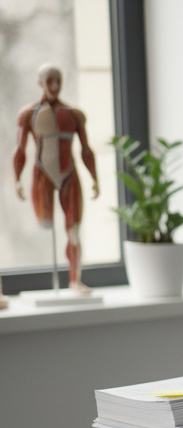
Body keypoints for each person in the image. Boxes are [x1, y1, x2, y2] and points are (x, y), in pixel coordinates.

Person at [13, 63, 100, 294]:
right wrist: (17, 179)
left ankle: (74, 279)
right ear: (41, 83)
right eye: (49, 80)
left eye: (58, 80)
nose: (54, 85)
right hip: (43, 174)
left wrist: (94, 177)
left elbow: (86, 149)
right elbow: (20, 150)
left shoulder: (74, 115)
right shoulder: (28, 115)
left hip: (68, 173)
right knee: (45, 223)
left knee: (73, 230)